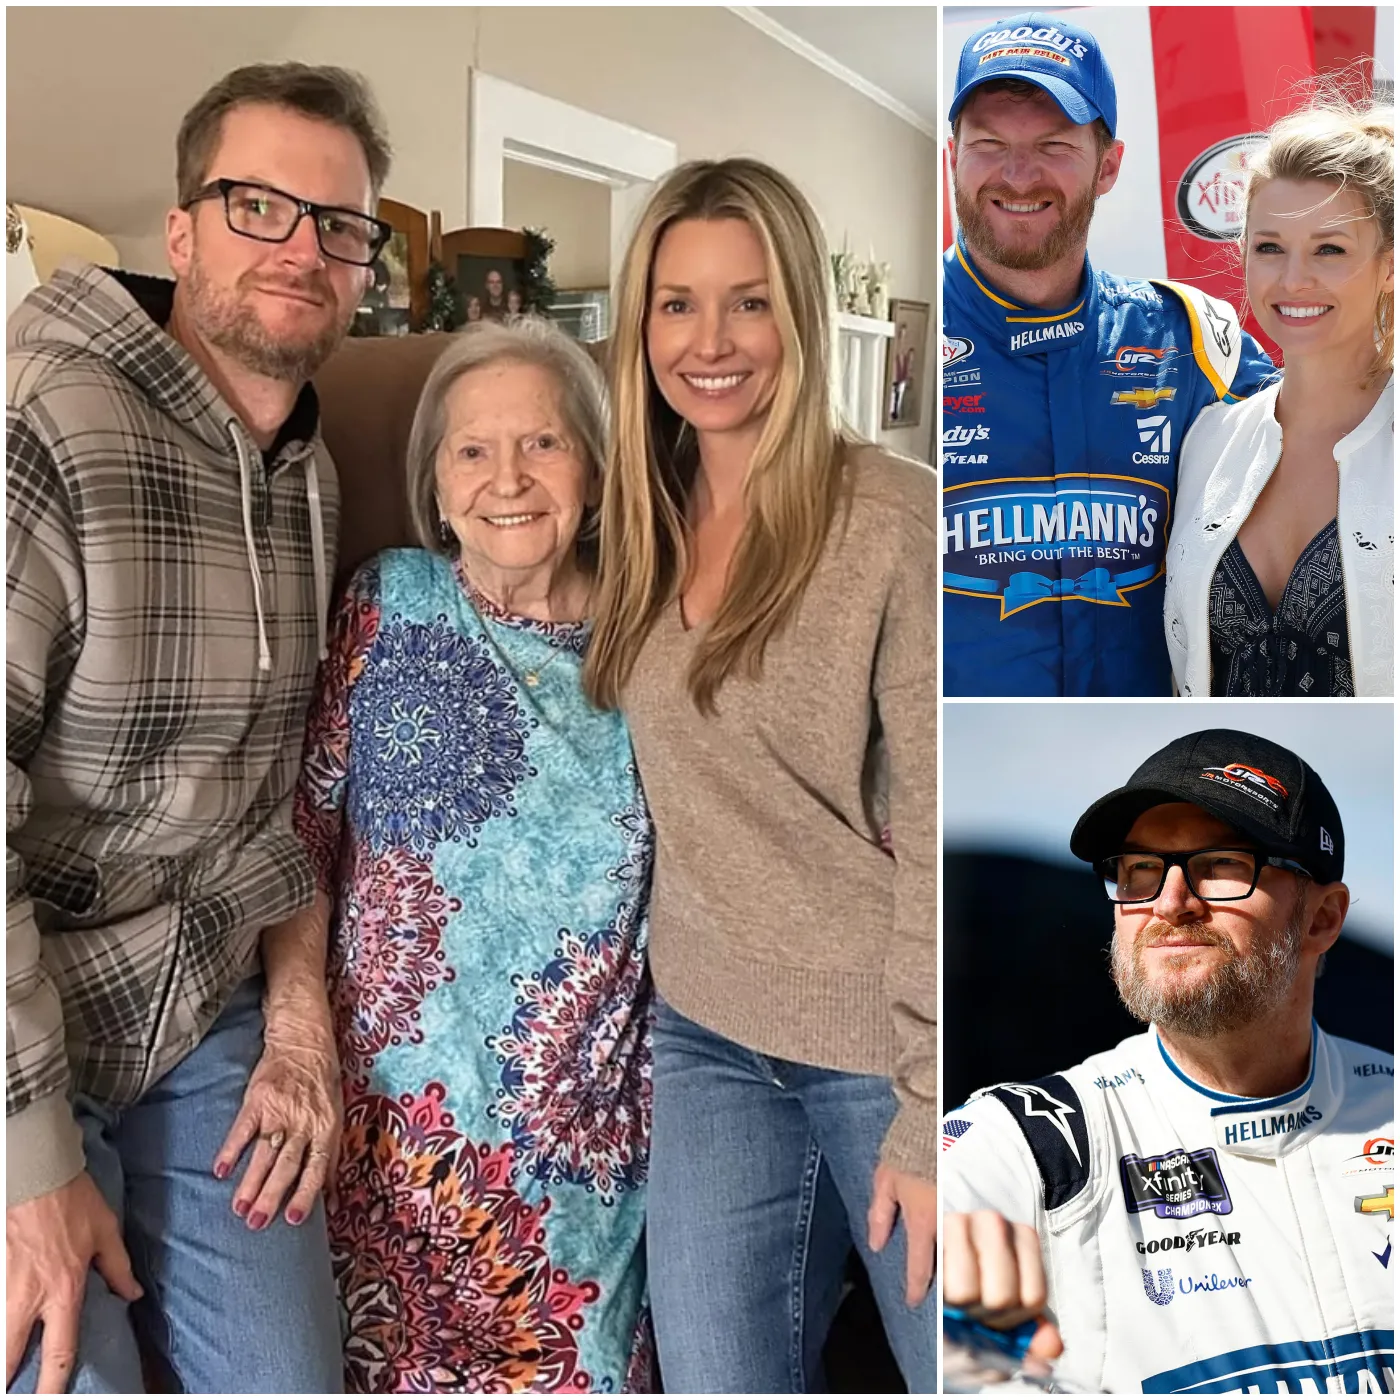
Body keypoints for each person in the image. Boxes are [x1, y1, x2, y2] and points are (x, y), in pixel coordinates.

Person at [6, 63, 393, 1393]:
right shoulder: (38, 425)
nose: (302, 249)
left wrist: (301, 1023)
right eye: (258, 206)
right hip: (22, 1028)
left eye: (339, 224)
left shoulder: (311, 475)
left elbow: (282, 797)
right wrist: (31, 1166)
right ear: (179, 232)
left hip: (198, 1017)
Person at [583, 157, 938, 1392]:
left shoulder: (892, 521)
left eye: (747, 301)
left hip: (880, 1048)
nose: (709, 340)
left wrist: (932, 1106)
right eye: (675, 303)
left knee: (987, 1368)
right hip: (703, 1033)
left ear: (796, 310)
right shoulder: (636, 517)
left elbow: (947, 826)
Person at [287, 318, 654, 1392]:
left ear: (590, 467)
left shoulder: (652, 645)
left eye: (541, 443)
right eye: (472, 450)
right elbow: (304, 834)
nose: (507, 478)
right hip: (374, 1134)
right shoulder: (385, 600)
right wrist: (294, 1023)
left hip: (578, 1163)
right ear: (436, 484)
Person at [941, 728, 1394, 1394]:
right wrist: (943, 1291)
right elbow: (929, 1220)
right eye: (1140, 871)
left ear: (1323, 920)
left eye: (1221, 865)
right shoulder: (1033, 1142)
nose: (1170, 902)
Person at [942, 13, 1279, 697]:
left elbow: (1339, 441)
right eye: (988, 143)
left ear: (1109, 166)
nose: (1017, 173)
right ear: (952, 158)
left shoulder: (1191, 339)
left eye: (1054, 145)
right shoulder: (900, 348)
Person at [1165, 100, 1394, 697]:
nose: (1293, 280)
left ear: (1388, 267)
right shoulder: (1208, 442)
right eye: (1270, 247)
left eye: (1330, 249)